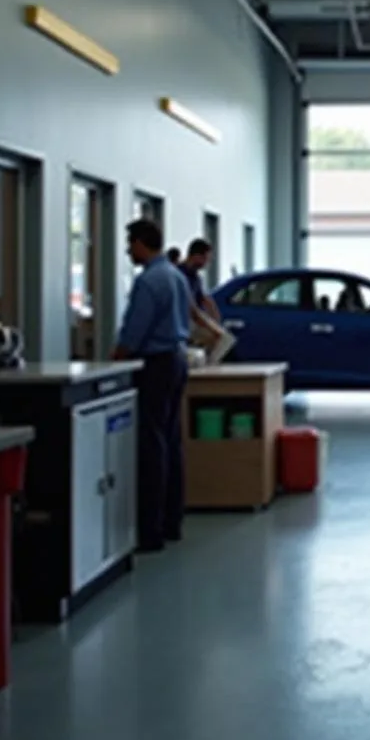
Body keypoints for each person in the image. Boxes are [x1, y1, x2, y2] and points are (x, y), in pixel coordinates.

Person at [111, 219, 191, 552]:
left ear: (144, 243)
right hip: (177, 359)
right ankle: (172, 521)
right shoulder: (176, 276)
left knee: (151, 445)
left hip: (154, 365)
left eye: (131, 243)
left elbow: (133, 332)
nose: (128, 250)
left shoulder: (149, 281)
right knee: (171, 440)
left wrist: (113, 361)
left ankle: (151, 530)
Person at [179, 239, 222, 323]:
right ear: (196, 256)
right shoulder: (179, 275)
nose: (207, 263)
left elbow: (205, 299)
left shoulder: (196, 277)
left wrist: (216, 319)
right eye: (206, 259)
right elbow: (191, 307)